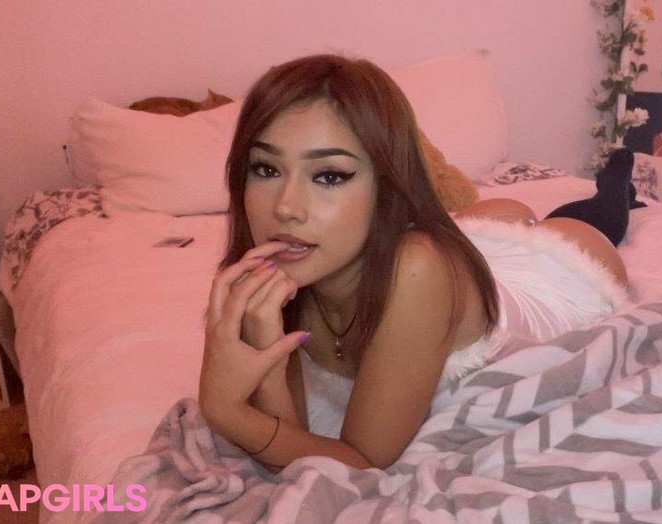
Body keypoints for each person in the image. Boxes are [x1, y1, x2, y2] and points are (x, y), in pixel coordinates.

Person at [199, 54, 628, 472]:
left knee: (585, 222)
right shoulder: (285, 272)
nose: (286, 208)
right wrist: (269, 359)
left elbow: (362, 463)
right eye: (266, 169)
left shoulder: (416, 271)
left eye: (329, 176)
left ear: (387, 185)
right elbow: (292, 452)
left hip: (552, 279)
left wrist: (225, 410)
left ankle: (617, 185)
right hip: (452, 258)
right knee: (499, 212)